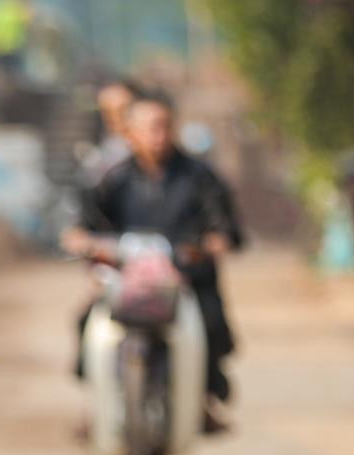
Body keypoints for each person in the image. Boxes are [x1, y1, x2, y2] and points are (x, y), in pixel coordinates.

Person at [66, 91, 244, 426]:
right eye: (149, 128)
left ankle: (203, 400)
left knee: (211, 324)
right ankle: (99, 403)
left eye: (163, 127)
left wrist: (216, 241)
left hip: (186, 280)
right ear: (130, 133)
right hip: (130, 281)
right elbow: (86, 223)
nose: (157, 136)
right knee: (87, 320)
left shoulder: (198, 177)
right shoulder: (113, 178)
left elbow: (225, 225)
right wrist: (81, 239)